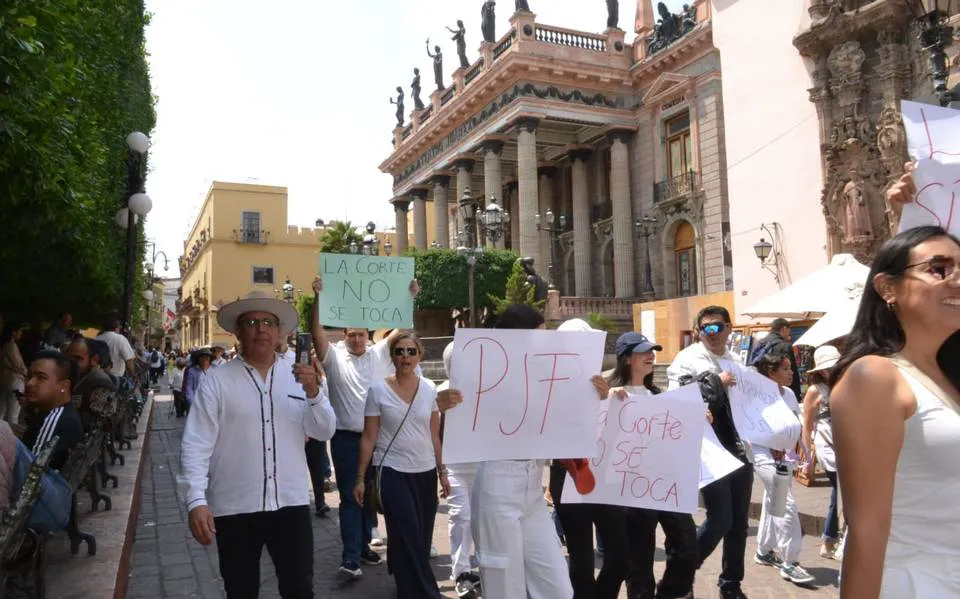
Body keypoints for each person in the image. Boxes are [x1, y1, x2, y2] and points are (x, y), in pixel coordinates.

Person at [178, 290, 336, 599]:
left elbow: (324, 430)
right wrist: (196, 500)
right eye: (251, 321)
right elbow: (196, 443)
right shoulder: (217, 381)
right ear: (237, 332)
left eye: (268, 322)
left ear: (279, 332)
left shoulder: (301, 375)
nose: (261, 328)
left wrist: (314, 392)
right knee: (240, 590)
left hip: (290, 504)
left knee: (300, 589)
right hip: (235, 507)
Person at [445, 304, 609, 599]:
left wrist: (594, 396)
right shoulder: (484, 372)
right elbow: (455, 406)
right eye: (539, 335)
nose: (546, 343)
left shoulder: (549, 376)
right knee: (505, 589)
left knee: (557, 587)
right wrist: (441, 402)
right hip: (496, 485)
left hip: (532, 488)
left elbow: (567, 423)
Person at [830, 225, 960, 598]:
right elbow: (867, 531)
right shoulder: (875, 376)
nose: (957, 279)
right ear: (888, 289)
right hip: (917, 585)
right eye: (939, 268)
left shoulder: (947, 376)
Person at [310, 275, 419, 581]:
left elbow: (402, 326)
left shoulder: (380, 352)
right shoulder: (332, 358)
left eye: (361, 334)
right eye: (351, 335)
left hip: (379, 439)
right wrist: (317, 298)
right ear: (343, 335)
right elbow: (316, 331)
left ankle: (363, 548)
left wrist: (410, 295)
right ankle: (350, 559)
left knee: (374, 497)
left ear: (368, 335)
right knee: (349, 497)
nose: (357, 339)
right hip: (345, 441)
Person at [667, 306, 751, 599]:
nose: (712, 334)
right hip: (708, 449)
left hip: (740, 448)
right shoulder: (686, 359)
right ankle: (682, 573)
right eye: (706, 329)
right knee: (721, 518)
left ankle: (731, 584)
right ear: (697, 332)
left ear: (729, 328)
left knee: (739, 523)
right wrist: (717, 382)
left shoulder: (738, 360)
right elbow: (676, 396)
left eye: (718, 327)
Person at [353, 333, 446, 599]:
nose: (406, 356)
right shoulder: (377, 390)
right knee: (408, 533)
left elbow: (434, 435)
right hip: (391, 470)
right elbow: (369, 436)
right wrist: (360, 477)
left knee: (421, 534)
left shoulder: (430, 388)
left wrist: (443, 472)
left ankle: (401, 570)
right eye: (400, 351)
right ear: (392, 356)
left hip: (425, 471)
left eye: (411, 352)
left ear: (419, 356)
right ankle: (423, 592)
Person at [610, 332, 698, 599]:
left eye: (652, 351)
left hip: (665, 484)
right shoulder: (611, 395)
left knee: (687, 548)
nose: (651, 356)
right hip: (632, 489)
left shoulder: (659, 395)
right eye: (643, 352)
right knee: (639, 563)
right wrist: (607, 400)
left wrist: (698, 419)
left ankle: (670, 593)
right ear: (626, 359)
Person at [750, 351, 814, 586]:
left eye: (791, 368)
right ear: (771, 372)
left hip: (784, 454)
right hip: (762, 452)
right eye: (785, 369)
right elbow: (750, 424)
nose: (791, 373)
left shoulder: (788, 394)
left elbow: (791, 424)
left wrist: (788, 446)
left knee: (773, 499)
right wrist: (772, 444)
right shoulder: (755, 395)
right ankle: (790, 561)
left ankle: (764, 550)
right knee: (786, 503)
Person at [438, 341, 482, 598]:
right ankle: (461, 572)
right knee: (460, 517)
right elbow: (436, 432)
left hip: (482, 466)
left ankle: (484, 567)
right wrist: (441, 469)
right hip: (454, 467)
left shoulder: (486, 390)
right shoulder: (442, 392)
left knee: (481, 519)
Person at [801, 345, 841, 560]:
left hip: (846, 444)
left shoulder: (843, 383)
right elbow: (806, 426)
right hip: (828, 446)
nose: (830, 371)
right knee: (839, 491)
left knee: (843, 492)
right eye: (826, 368)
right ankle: (828, 540)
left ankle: (833, 538)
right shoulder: (815, 390)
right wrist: (808, 458)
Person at [65, 338, 117, 430]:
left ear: (94, 360)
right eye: (70, 358)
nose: (72, 362)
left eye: (78, 358)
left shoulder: (99, 382)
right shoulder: (72, 376)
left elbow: (98, 421)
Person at [747, 318, 801, 399]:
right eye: (789, 332)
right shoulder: (784, 346)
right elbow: (792, 374)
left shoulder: (760, 343)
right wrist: (796, 394)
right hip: (780, 392)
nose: (789, 335)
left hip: (761, 390)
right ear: (784, 329)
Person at [0, 322, 28, 424]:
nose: (21, 333)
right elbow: (18, 365)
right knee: (13, 413)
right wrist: (27, 373)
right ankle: (10, 437)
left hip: (4, 379)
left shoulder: (4, 345)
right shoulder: (11, 345)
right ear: (13, 332)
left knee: (2, 409)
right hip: (14, 381)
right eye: (20, 331)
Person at [96, 313, 136, 380]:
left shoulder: (97, 338)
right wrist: (133, 374)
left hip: (98, 377)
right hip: (115, 379)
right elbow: (129, 360)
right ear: (117, 327)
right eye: (119, 326)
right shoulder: (120, 339)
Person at [182, 348, 214, 415]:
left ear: (210, 359)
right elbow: (189, 388)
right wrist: (192, 402)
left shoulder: (214, 370)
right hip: (196, 403)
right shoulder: (192, 371)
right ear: (198, 359)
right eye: (202, 357)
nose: (204, 360)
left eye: (207, 358)